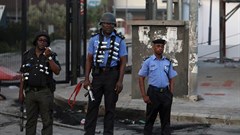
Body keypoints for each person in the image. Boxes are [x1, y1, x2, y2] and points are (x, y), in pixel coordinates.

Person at [83, 12, 127, 135]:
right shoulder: (94, 39)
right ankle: (89, 132)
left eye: (111, 24)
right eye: (105, 23)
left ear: (114, 26)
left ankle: (108, 133)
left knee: (110, 107)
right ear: (101, 25)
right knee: (93, 106)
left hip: (112, 76)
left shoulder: (120, 40)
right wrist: (86, 79)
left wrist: (120, 81)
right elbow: (89, 59)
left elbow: (123, 61)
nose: (108, 26)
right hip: (97, 75)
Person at [19, 31, 61, 135]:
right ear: (36, 41)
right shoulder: (27, 55)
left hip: (45, 93)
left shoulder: (52, 55)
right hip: (30, 93)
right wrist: (21, 93)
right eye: (40, 40)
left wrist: (49, 57)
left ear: (47, 43)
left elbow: (57, 71)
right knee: (30, 122)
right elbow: (22, 75)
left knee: (47, 121)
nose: (42, 42)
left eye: (45, 41)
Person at [138, 39, 177, 135]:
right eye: (158, 46)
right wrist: (144, 95)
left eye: (162, 46)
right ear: (153, 47)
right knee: (150, 120)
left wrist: (170, 94)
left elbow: (172, 78)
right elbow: (141, 78)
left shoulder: (167, 62)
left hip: (165, 94)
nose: (160, 48)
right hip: (153, 93)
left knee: (166, 121)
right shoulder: (148, 61)